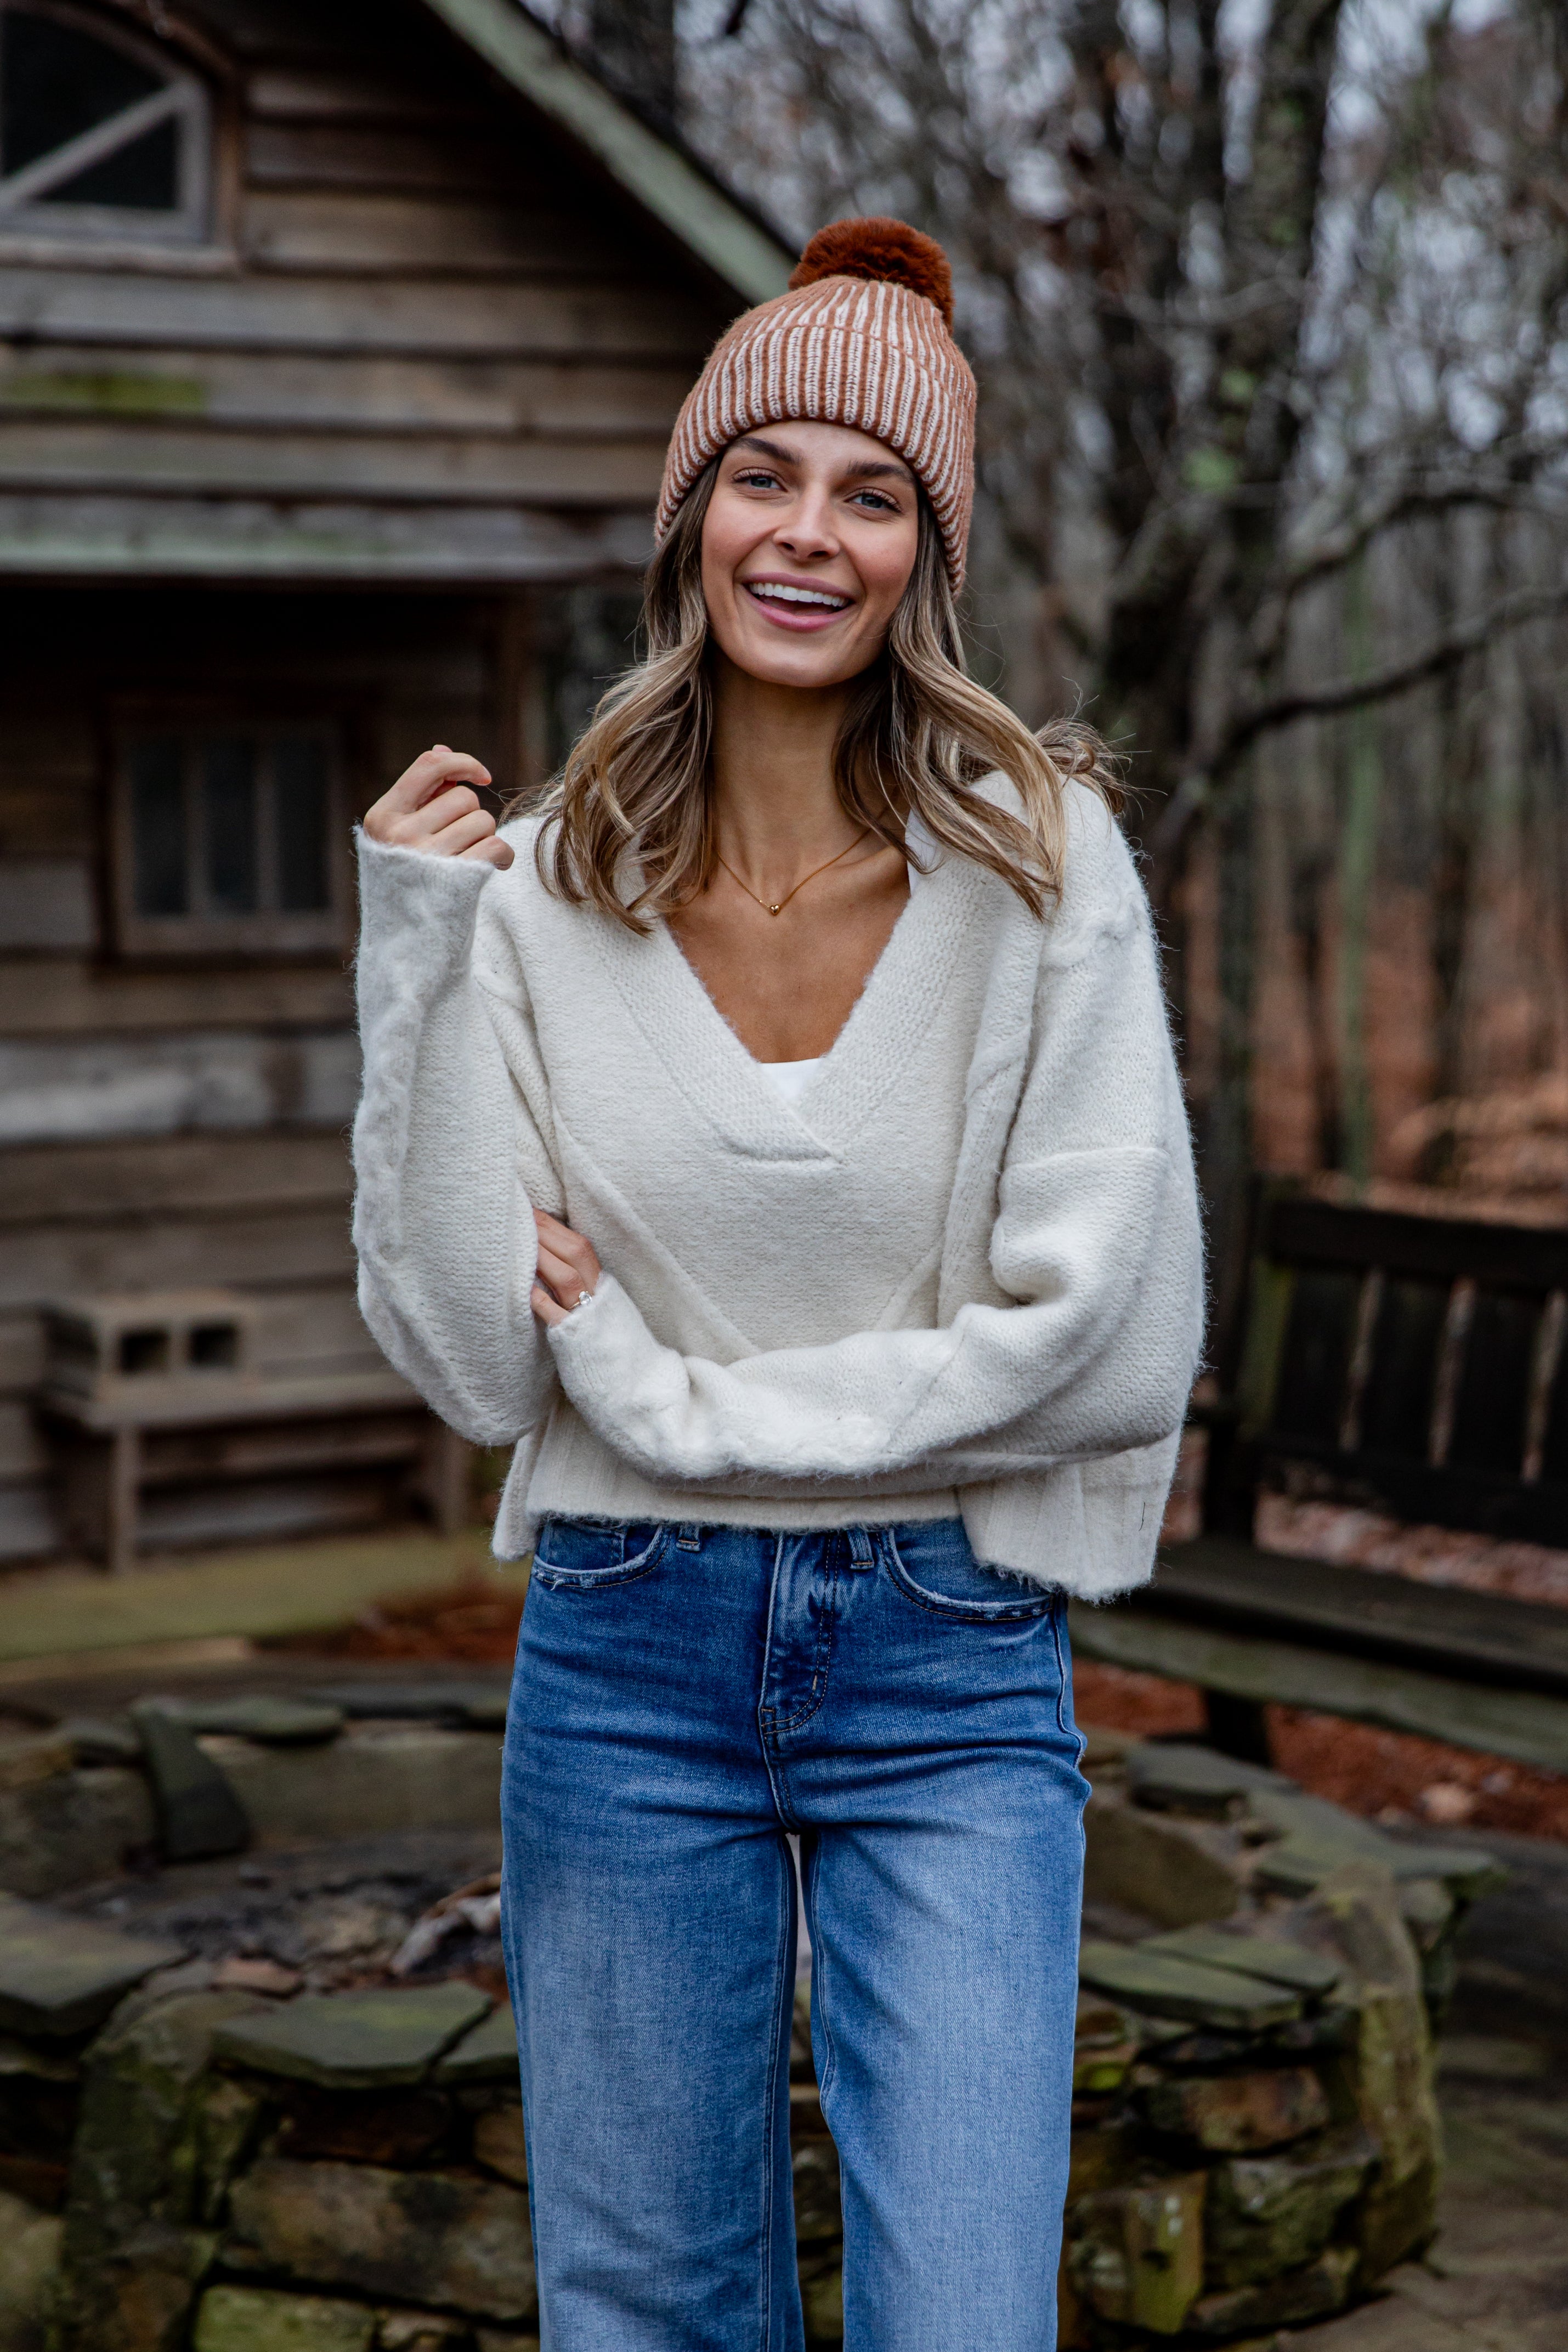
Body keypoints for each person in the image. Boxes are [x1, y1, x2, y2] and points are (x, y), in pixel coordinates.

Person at [353, 216, 1204, 2352]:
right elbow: (472, 1361)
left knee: (965, 2314)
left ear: (926, 554)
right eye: (763, 475)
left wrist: (654, 1388)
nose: (808, 531)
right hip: (623, 1650)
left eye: (872, 491)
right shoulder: (536, 893)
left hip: (949, 1653)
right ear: (692, 517)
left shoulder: (1042, 867)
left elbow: (1109, 1343)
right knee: (645, 2305)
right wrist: (413, 963)